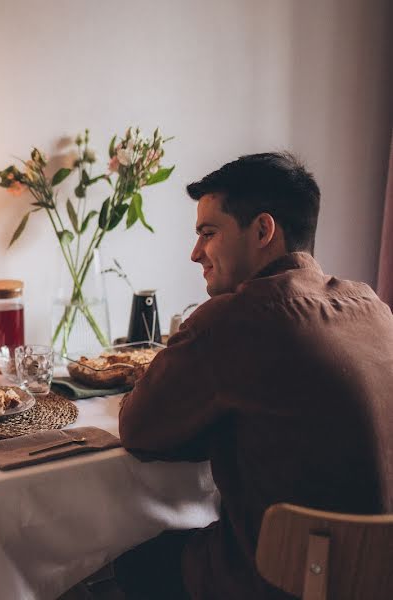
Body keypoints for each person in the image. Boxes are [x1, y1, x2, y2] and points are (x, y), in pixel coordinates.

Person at [113, 152, 393, 600]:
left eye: (208, 233)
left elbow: (139, 430)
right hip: (376, 577)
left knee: (119, 561)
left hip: (279, 581)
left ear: (263, 230)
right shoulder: (374, 307)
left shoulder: (234, 319)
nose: (195, 253)